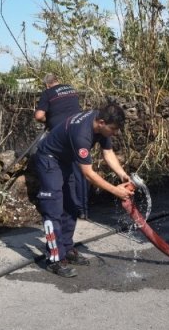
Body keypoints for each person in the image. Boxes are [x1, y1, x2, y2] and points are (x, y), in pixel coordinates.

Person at [32, 102, 135, 278]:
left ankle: (66, 247)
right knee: (53, 209)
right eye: (113, 129)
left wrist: (122, 175)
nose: (115, 133)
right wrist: (115, 191)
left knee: (72, 204)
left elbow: (108, 152)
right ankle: (55, 259)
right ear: (101, 122)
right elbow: (88, 173)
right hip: (49, 159)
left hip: (66, 159)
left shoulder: (101, 124)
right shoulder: (82, 133)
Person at [34, 73, 88, 219]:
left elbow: (39, 116)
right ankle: (82, 209)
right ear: (58, 81)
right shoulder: (71, 89)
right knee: (80, 169)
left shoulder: (48, 93)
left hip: (61, 134)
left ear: (47, 84)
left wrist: (47, 120)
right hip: (80, 130)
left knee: (60, 169)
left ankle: (63, 207)